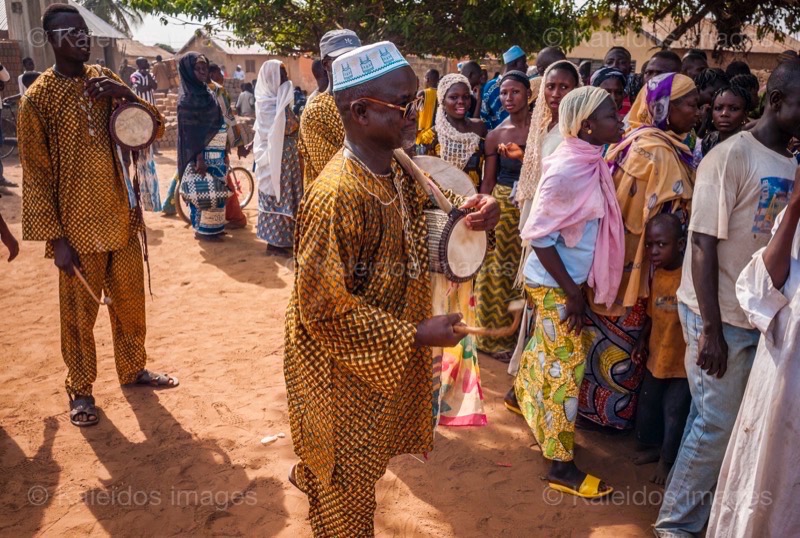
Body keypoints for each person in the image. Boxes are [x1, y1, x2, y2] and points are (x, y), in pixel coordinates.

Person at [284, 41, 499, 535]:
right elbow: (321, 310)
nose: (415, 117)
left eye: (416, 103)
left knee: (360, 475)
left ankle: (319, 482)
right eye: (404, 106)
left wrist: (482, 210)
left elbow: (450, 210)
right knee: (347, 502)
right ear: (359, 111)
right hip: (336, 376)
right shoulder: (337, 194)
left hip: (375, 367)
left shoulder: (399, 165)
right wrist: (416, 335)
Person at [655, 60, 800, 538]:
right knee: (717, 424)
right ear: (777, 103)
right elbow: (701, 243)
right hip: (712, 311)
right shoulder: (730, 157)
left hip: (759, 315)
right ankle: (675, 525)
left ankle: (695, 516)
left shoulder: (793, 164)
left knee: (716, 421)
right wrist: (712, 331)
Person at [20, 3, 176, 428]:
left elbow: (153, 129)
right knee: (77, 318)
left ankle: (133, 370)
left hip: (122, 219)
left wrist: (126, 96)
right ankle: (82, 390)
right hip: (76, 229)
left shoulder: (106, 83)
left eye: (84, 31)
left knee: (129, 304)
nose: (83, 39)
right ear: (52, 41)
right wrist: (58, 240)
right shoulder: (38, 100)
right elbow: (36, 175)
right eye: (71, 33)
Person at [515, 86, 624, 499]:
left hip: (559, 282)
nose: (619, 119)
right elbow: (539, 237)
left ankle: (520, 397)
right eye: (611, 115)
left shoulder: (588, 160)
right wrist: (572, 294)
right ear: (588, 126)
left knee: (547, 353)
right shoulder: (566, 170)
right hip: (553, 285)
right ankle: (561, 465)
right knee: (568, 369)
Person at [580, 73, 699, 431]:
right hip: (636, 268)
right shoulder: (656, 153)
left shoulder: (637, 140)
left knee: (611, 340)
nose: (697, 110)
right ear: (665, 107)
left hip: (615, 264)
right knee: (624, 342)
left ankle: (598, 414)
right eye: (690, 104)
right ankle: (607, 419)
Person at [708, 168, 800, 537]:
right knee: (768, 473)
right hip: (784, 368)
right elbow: (762, 289)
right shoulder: (792, 220)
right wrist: (794, 207)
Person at [474, 71, 531, 364]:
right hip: (505, 209)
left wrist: (524, 156)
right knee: (496, 271)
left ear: (529, 94)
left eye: (515, 92)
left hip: (534, 206)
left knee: (524, 274)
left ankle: (517, 339)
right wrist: (484, 211)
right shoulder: (496, 134)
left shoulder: (543, 131)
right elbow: (488, 182)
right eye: (504, 93)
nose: (509, 98)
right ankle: (489, 339)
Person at [631, 214, 690, 486]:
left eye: (661, 245)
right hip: (657, 359)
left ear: (679, 245)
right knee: (649, 405)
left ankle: (667, 460)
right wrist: (642, 341)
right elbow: (653, 315)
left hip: (681, 365)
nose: (653, 251)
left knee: (674, 411)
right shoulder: (657, 276)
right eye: (650, 245)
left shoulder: (688, 278)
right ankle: (655, 447)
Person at [297, 29, 360, 187]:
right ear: (326, 64)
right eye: (343, 59)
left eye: (355, 57)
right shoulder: (316, 112)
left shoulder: (366, 102)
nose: (351, 64)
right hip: (336, 203)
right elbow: (334, 174)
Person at [177, 53, 229, 240]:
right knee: (203, 191)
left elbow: (219, 120)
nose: (202, 72)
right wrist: (199, 158)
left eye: (204, 68)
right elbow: (190, 134)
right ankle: (202, 229)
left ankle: (216, 227)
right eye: (197, 68)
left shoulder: (208, 93)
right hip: (202, 156)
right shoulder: (187, 99)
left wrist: (224, 151)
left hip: (217, 151)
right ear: (188, 71)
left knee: (218, 190)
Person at [253, 60, 301, 257]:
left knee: (282, 196)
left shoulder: (276, 102)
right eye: (281, 75)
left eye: (285, 74)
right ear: (271, 78)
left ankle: (280, 241)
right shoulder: (270, 105)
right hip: (277, 160)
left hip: (281, 159)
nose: (286, 79)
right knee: (279, 196)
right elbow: (287, 127)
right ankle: (277, 243)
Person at [416, 73, 487, 186]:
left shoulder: (479, 128)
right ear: (442, 101)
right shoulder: (430, 138)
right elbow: (423, 180)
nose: (461, 101)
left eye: (466, 97)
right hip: (442, 202)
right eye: (453, 97)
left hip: (476, 200)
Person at [208, 62, 248, 229]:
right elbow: (229, 119)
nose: (221, 77)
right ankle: (234, 216)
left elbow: (229, 118)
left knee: (221, 179)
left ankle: (235, 217)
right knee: (221, 178)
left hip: (209, 140)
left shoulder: (204, 90)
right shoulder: (217, 90)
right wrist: (238, 143)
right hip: (217, 139)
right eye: (218, 74)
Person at [130, 57, 161, 211]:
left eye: (146, 63)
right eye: (143, 63)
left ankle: (152, 148)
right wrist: (147, 83)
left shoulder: (149, 75)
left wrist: (148, 77)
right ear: (138, 64)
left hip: (151, 109)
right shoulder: (135, 75)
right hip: (139, 110)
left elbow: (154, 85)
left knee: (152, 132)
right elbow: (139, 89)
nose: (146, 65)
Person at [625, 50, 683, 131]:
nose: (653, 78)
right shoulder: (633, 116)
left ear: (679, 78)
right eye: (648, 72)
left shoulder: (684, 117)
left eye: (661, 74)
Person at [481, 45, 528, 129]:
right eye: (524, 62)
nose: (526, 66)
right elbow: (485, 116)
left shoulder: (523, 84)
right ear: (515, 63)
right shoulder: (491, 87)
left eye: (515, 92)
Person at [699, 84, 752, 158]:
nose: (724, 114)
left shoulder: (751, 145)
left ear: (745, 114)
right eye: (718, 108)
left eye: (733, 109)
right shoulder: (709, 141)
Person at [694, 68, 730, 137]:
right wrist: (704, 123)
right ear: (698, 90)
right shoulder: (689, 112)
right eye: (713, 94)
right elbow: (694, 145)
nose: (717, 99)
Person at [415, 68, 439, 147]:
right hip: (437, 137)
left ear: (427, 79)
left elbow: (413, 114)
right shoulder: (443, 94)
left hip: (423, 138)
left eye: (424, 78)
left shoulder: (422, 94)